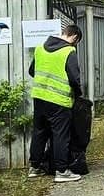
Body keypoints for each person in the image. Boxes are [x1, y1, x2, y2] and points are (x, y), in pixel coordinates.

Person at [28, 23, 83, 184]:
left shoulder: (39, 48)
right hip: (59, 100)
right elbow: (74, 77)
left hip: (39, 97)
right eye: (76, 42)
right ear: (74, 37)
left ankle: (34, 168)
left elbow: (32, 71)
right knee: (61, 135)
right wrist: (78, 94)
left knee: (39, 132)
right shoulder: (68, 51)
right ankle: (61, 171)